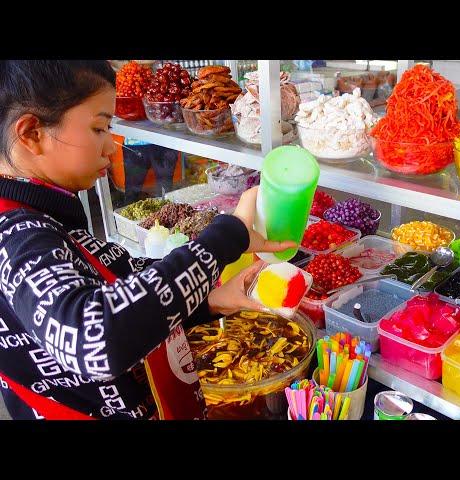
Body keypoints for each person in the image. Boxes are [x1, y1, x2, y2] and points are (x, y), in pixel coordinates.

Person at [0, 60, 295, 420]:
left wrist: (208, 299)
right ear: (31, 133)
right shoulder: (16, 236)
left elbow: (119, 284)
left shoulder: (43, 218)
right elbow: (96, 337)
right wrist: (225, 238)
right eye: (99, 128)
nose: (111, 147)